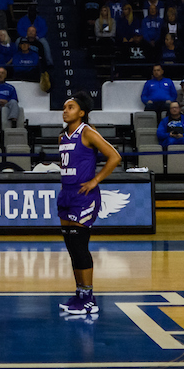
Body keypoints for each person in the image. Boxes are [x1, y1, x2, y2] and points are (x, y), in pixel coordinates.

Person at [57, 92, 122, 316]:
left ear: (82, 112)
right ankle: (79, 293)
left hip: (83, 196)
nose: (65, 111)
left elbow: (114, 157)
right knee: (71, 248)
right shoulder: (63, 136)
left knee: (80, 246)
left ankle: (89, 298)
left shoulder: (88, 132)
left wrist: (95, 180)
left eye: (71, 107)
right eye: (65, 107)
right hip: (66, 195)